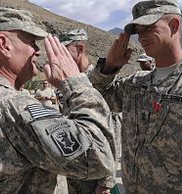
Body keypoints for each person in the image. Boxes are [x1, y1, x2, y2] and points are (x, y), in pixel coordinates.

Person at [0, 6, 117, 194]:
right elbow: (98, 158)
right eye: (31, 42)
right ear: (4, 45)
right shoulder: (10, 104)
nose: (37, 51)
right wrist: (76, 83)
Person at [90, 0, 182, 193]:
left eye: (149, 28)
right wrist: (109, 67)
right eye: (139, 31)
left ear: (174, 25)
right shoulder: (136, 83)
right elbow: (96, 100)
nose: (142, 37)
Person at [60, 29, 123, 194]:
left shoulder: (100, 81)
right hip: (77, 172)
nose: (58, 58)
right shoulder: (70, 82)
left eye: (63, 52)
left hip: (98, 179)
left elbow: (112, 132)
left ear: (80, 49)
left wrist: (106, 182)